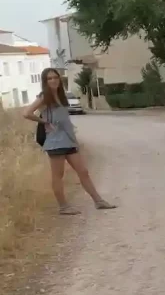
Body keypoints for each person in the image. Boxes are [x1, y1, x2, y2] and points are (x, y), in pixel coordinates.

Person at [22, 68, 116, 215]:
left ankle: (98, 201)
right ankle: (64, 207)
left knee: (83, 172)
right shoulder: (44, 97)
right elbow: (26, 113)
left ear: (59, 79)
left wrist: (74, 138)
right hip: (55, 142)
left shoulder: (61, 95)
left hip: (68, 140)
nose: (53, 80)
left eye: (55, 77)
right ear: (45, 82)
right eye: (49, 78)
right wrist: (44, 121)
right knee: (58, 176)